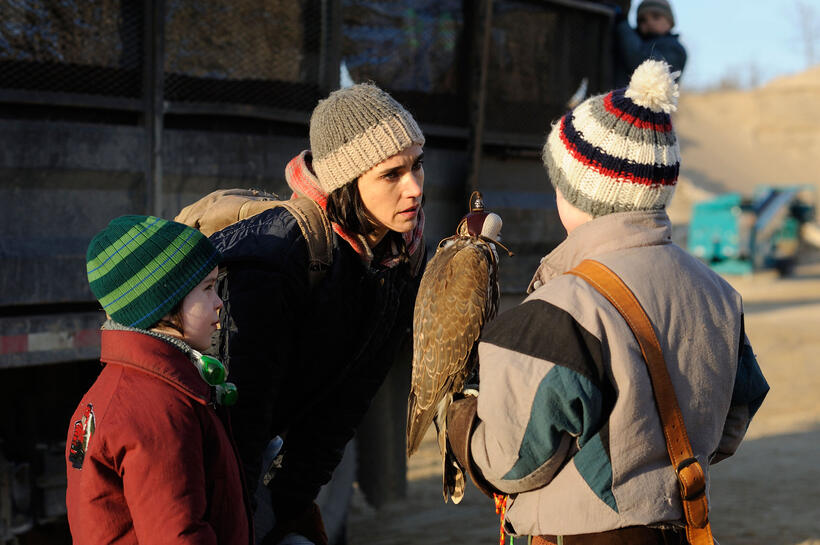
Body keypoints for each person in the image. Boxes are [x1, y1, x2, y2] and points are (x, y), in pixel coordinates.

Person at [445, 60, 769, 544]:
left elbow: (508, 463)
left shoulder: (562, 309)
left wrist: (458, 412)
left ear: (577, 192)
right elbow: (733, 420)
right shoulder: (721, 294)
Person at [209, 82, 426, 545]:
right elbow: (240, 421)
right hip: (209, 471)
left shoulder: (398, 256)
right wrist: (245, 527)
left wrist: (284, 512)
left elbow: (342, 410)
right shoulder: (275, 257)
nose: (414, 188)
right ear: (347, 182)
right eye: (392, 174)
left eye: (417, 166)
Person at [65, 215, 252, 544]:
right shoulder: (155, 406)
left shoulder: (127, 386)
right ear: (161, 305)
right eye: (207, 289)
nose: (219, 303)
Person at [612, 0, 687, 88]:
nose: (649, 22)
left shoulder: (675, 49)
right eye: (642, 20)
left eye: (656, 17)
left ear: (670, 22)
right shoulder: (632, 41)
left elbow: (643, 63)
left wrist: (623, 25)